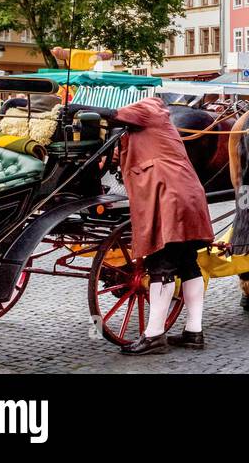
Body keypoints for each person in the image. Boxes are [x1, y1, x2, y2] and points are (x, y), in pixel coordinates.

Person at [66, 97, 213, 355]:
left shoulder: (150, 110)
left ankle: (154, 336)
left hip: (171, 197)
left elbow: (114, 113)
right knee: (188, 264)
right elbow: (114, 158)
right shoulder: (142, 131)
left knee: (161, 264)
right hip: (183, 195)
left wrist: (80, 108)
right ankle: (194, 332)